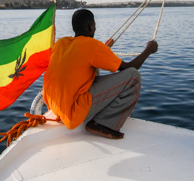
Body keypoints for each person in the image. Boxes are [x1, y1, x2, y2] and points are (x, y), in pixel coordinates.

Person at [43, 8, 158, 140]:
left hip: (54, 107)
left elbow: (81, 60)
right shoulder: (93, 46)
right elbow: (129, 67)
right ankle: (102, 123)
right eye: (94, 26)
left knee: (94, 75)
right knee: (133, 76)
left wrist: (104, 49)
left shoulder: (61, 43)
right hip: (72, 113)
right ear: (90, 27)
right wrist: (148, 51)